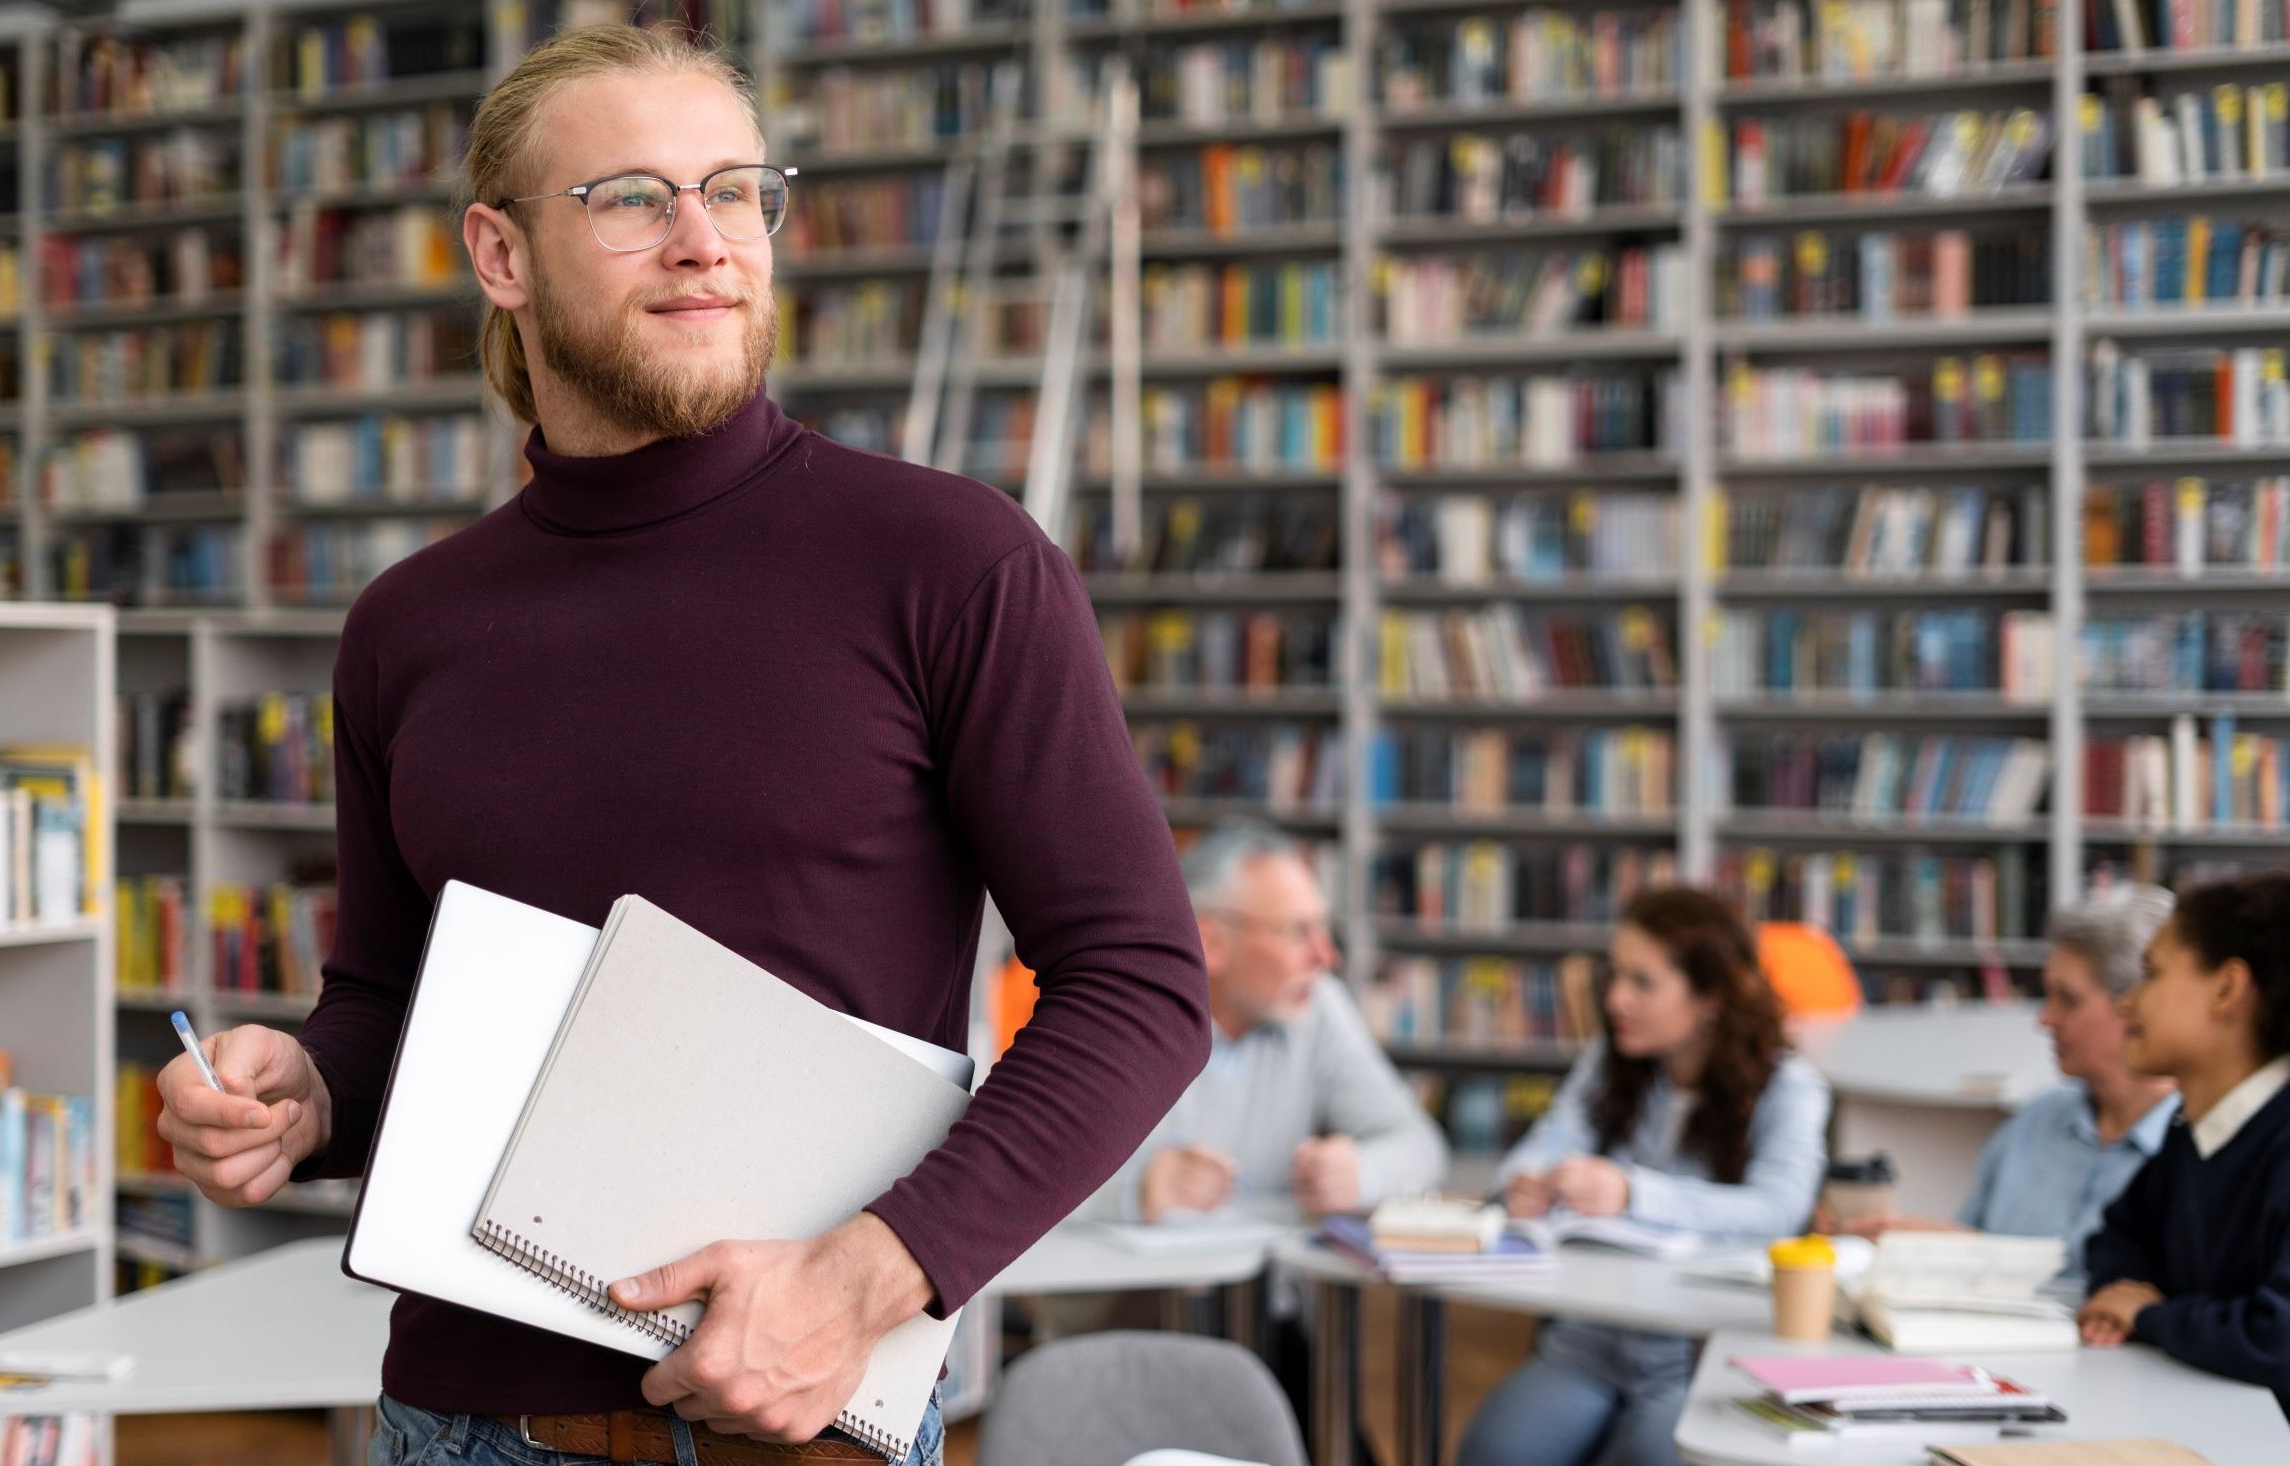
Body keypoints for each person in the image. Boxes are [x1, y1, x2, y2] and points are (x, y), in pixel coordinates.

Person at [150, 25, 1212, 1466]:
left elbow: (1140, 985)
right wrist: (311, 1090)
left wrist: (864, 1279)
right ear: (501, 254)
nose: (705, 242)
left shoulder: (950, 561)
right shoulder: (407, 626)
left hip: (799, 1419)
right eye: (635, 198)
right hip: (451, 1422)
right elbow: (394, 996)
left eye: (734, 190)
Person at [1452, 887, 1831, 1466]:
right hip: (1588, 1338)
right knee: (1492, 1452)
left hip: (1698, 1353)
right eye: (1614, 976)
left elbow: (1781, 1207)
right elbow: (1540, 1147)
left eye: (1643, 982)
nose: (1616, 999)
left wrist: (1633, 1193)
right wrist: (1522, 1184)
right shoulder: (1611, 1063)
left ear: (1709, 998)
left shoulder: (1789, 1087)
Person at [1085, 822, 1447, 1227]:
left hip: (1250, 1283)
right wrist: (1136, 1192)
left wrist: (1362, 1172)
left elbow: (1422, 1146)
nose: (1326, 957)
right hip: (1123, 1283)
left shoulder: (1316, 1005)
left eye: (1323, 927)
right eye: (1297, 932)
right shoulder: (1118, 1018)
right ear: (1212, 942)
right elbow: (1020, 1173)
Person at [1816, 883, 2179, 1277]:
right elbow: (1973, 1251)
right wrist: (1908, 1241)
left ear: (2136, 1006)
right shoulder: (2033, 1122)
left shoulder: (2193, 1150)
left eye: (2067, 999)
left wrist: (1967, 1250)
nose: (2044, 1018)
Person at [2081, 871, 2290, 1417]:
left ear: (2226, 989)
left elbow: (2280, 1338)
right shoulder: (2195, 1127)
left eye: (2149, 974)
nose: (2125, 1005)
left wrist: (2150, 1317)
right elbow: (2120, 1234)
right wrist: (2126, 1288)